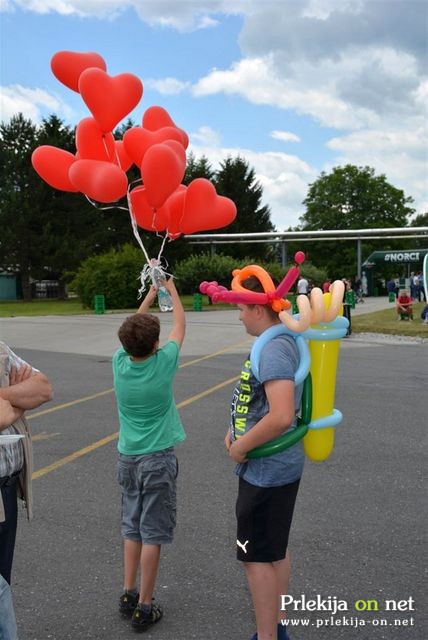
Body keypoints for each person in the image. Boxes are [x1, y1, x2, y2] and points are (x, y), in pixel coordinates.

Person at [225, 276, 304, 640]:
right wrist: (236, 429)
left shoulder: (272, 349)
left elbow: (281, 415)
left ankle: (267, 635)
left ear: (258, 308)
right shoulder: (278, 341)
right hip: (277, 466)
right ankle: (278, 624)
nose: (239, 317)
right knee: (275, 548)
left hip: (265, 470)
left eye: (242, 309)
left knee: (255, 556)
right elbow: (259, 402)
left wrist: (241, 447)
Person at [112, 278, 186, 632]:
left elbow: (132, 329)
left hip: (128, 458)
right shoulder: (163, 363)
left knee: (132, 527)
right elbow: (180, 327)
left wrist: (150, 295)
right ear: (156, 345)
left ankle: (128, 591)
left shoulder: (119, 364)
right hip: (157, 459)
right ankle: (145, 604)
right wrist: (171, 292)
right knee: (153, 532)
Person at [0, 343, 53, 585]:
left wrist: (5, 395)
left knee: (3, 583)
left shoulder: (0, 350)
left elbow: (43, 389)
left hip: (8, 489)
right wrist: (16, 398)